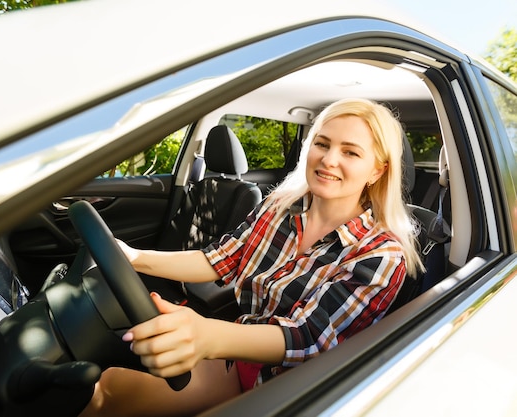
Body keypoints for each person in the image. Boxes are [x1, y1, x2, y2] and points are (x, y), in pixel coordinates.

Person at [79, 98, 424, 417]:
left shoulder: (382, 253)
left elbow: (308, 337)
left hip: (296, 393)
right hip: (237, 360)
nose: (329, 159)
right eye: (322, 143)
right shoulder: (279, 207)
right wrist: (134, 257)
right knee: (104, 390)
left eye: (350, 152)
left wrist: (208, 337)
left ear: (377, 171)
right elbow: (219, 259)